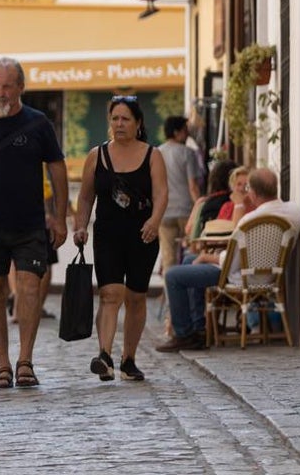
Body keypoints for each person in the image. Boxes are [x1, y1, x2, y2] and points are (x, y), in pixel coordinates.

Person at [0, 57, 67, 389]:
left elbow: (57, 169)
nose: (1, 93)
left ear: (21, 88)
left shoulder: (38, 123)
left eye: (7, 86)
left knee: (28, 288)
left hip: (30, 223)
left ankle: (25, 360)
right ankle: (2, 365)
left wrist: (59, 216)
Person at [72, 95, 167, 383]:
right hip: (107, 235)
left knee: (136, 297)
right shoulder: (96, 155)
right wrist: (80, 225)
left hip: (142, 235)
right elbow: (86, 195)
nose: (119, 124)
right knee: (110, 294)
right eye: (115, 118)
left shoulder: (152, 155)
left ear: (138, 124)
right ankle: (104, 356)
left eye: (126, 119)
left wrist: (154, 221)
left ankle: (129, 359)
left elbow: (162, 193)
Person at [156, 167, 300, 351]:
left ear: (253, 193)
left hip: (240, 277)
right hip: (272, 276)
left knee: (174, 275)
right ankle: (199, 329)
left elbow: (231, 262)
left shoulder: (249, 221)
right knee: (189, 262)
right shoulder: (294, 212)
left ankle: (185, 334)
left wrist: (207, 257)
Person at [158, 115, 203, 273]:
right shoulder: (187, 153)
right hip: (186, 211)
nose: (187, 134)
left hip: (164, 211)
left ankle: (171, 294)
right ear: (177, 132)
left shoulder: (157, 153)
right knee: (192, 251)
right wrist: (200, 207)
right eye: (185, 131)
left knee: (168, 256)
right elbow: (193, 186)